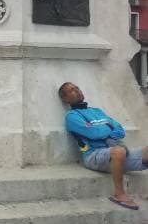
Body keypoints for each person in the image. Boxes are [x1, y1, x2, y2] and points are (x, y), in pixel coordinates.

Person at [59, 82, 148, 210]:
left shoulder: (97, 111)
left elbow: (120, 130)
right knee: (118, 152)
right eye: (72, 90)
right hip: (94, 155)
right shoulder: (72, 117)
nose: (77, 91)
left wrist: (103, 129)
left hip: (119, 151)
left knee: (125, 151)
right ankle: (119, 194)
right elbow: (93, 133)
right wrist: (108, 127)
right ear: (65, 99)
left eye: (77, 88)